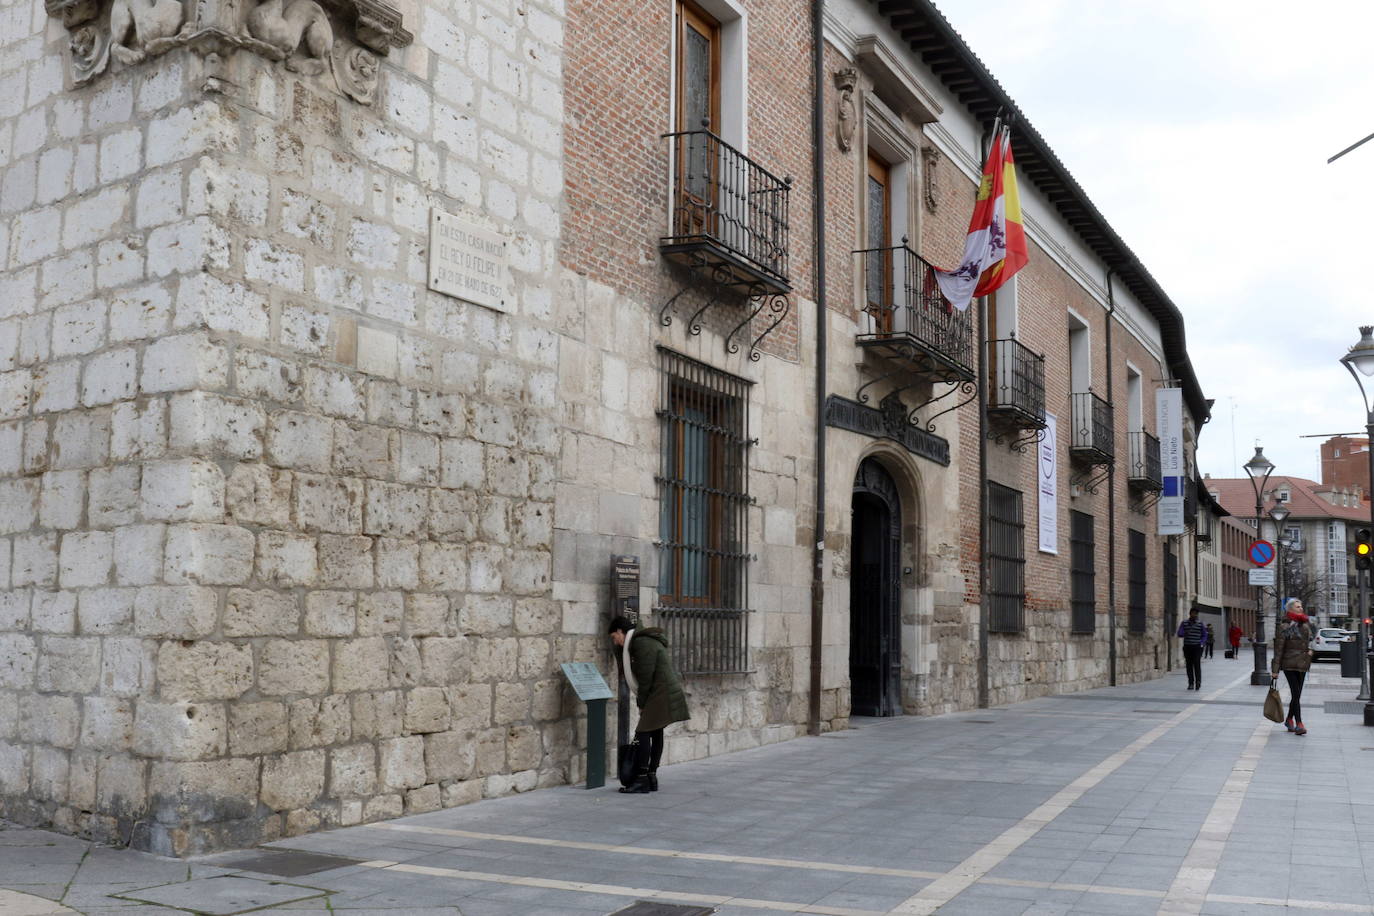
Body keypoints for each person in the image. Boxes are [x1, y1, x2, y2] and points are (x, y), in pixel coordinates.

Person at [608, 615, 690, 794]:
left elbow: (645, 677)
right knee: (655, 732)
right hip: (661, 690)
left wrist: (642, 703)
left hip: (659, 691)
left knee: (642, 732)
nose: (616, 643)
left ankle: (642, 779)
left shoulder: (640, 643)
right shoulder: (639, 641)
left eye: (615, 638)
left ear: (621, 632)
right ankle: (651, 776)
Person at [1271, 598, 1315, 736]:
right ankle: (1299, 723)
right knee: (1296, 694)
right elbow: (1279, 649)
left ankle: (1289, 719)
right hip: (1290, 664)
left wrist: (1310, 651)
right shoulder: (1287, 626)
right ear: (1290, 609)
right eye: (1297, 607)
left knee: (1297, 695)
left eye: (1301, 606)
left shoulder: (1305, 624)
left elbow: (1310, 641)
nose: (1301, 608)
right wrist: (1275, 670)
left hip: (1302, 664)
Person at [1178, 608, 1207, 690]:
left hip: (1197, 647)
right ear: (1190, 614)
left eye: (1196, 614)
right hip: (1187, 647)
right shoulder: (1184, 623)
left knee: (1197, 664)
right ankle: (1191, 683)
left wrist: (1202, 642)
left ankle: (1198, 682)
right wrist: (1184, 633)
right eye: (1193, 613)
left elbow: (1204, 635)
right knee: (1189, 666)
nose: (1195, 615)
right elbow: (1179, 633)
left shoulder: (1200, 624)